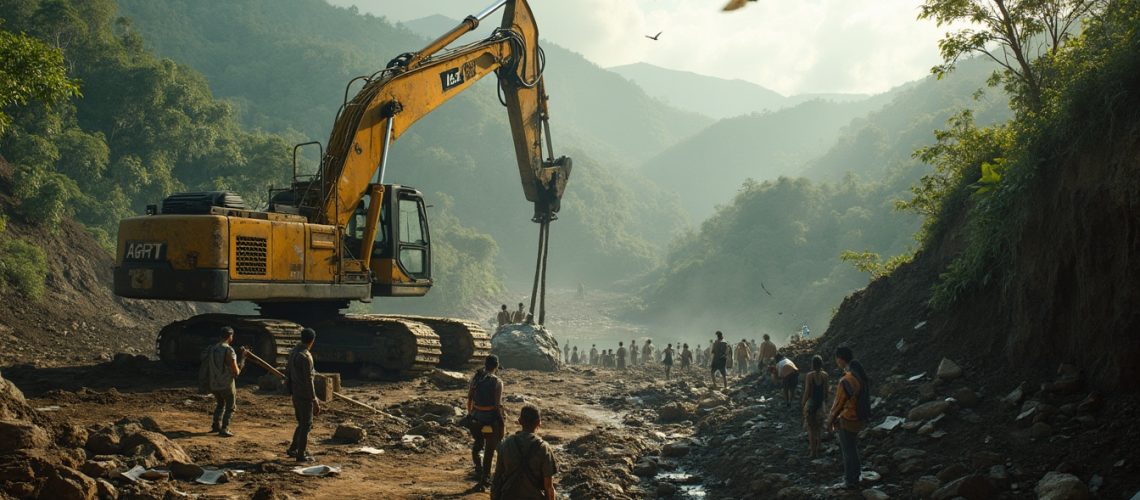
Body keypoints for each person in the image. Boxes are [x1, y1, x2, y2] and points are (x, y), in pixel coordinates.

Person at [491, 405, 558, 500]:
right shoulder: (544, 448)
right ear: (539, 423)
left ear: (520, 421)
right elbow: (548, 487)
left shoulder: (506, 444)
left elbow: (497, 478)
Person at [829, 346, 870, 490]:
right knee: (853, 448)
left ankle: (849, 481)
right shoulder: (859, 374)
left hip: (848, 419)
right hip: (859, 418)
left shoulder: (846, 379)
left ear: (840, 359)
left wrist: (831, 419)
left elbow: (839, 403)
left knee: (847, 451)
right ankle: (857, 474)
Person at [467, 355, 505, 488]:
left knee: (478, 443)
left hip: (476, 417)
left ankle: (478, 467)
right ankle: (485, 479)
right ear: (496, 366)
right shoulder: (497, 382)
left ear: (485, 364)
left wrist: (471, 413)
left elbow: (470, 399)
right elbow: (497, 405)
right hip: (490, 418)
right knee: (490, 450)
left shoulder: (476, 378)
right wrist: (501, 423)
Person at [202, 327, 246, 437]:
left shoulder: (212, 348)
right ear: (230, 336)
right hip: (226, 383)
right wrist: (243, 359)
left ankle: (215, 425)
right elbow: (236, 372)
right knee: (231, 406)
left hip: (213, 382)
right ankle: (225, 428)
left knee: (220, 403)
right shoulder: (229, 350)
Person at [286, 328, 320, 462]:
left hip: (295, 393)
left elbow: (287, 373)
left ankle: (293, 448)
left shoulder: (293, 352)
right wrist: (314, 399)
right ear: (312, 341)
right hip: (305, 395)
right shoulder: (306, 356)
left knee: (301, 423)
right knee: (306, 424)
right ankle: (301, 454)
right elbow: (309, 381)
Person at [801, 355, 830, 458]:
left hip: (812, 404)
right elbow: (826, 391)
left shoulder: (810, 376)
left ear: (812, 365)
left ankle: (812, 452)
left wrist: (803, 403)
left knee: (811, 429)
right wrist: (825, 402)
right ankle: (819, 447)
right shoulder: (825, 375)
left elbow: (807, 391)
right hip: (821, 404)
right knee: (819, 427)